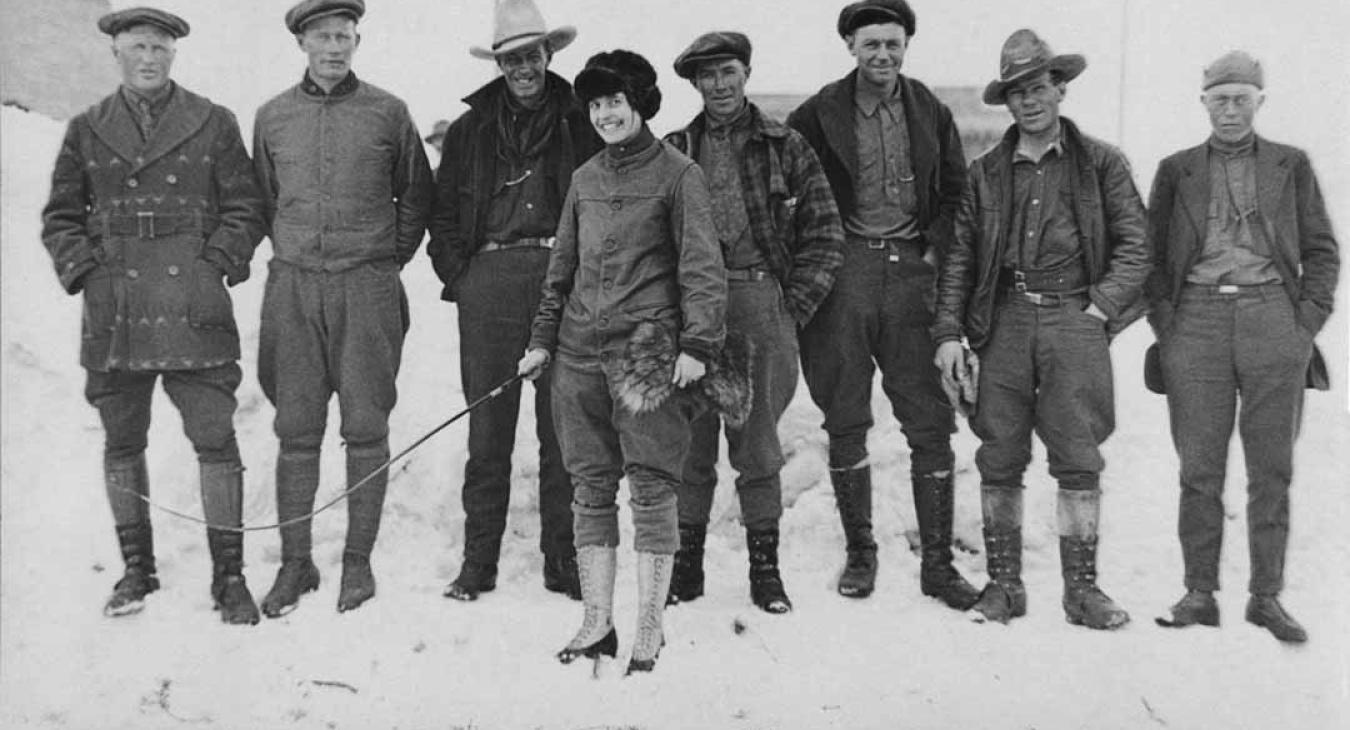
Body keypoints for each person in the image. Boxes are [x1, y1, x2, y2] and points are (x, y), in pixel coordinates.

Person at [40, 7, 266, 624]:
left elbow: (246, 206)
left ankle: (230, 577)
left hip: (192, 305)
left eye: (160, 50)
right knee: (121, 441)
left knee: (216, 440)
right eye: (138, 47)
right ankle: (137, 569)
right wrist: (88, 272)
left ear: (174, 55)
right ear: (116, 54)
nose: (149, 59)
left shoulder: (214, 122)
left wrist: (214, 260)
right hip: (117, 309)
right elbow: (60, 216)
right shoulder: (87, 128)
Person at [932, 29, 1150, 629]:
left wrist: (1100, 309)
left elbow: (1138, 244)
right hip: (1001, 322)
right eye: (1017, 92)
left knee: (1078, 454)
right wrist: (950, 333)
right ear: (1006, 102)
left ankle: (1082, 591)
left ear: (1060, 89)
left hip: (1072, 319)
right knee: (998, 451)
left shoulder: (1101, 163)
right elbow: (960, 260)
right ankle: (1004, 587)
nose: (1029, 101)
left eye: (1039, 87)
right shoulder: (986, 173)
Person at [518, 50, 725, 674]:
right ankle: (597, 621)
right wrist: (542, 341)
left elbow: (702, 267)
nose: (605, 113)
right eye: (597, 103)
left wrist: (698, 345)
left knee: (655, 488)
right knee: (589, 487)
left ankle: (650, 628)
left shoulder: (679, 174)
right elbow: (561, 274)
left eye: (616, 101)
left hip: (646, 360)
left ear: (640, 104)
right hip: (579, 357)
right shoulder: (584, 179)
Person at [785, 0, 978, 607]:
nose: (883, 55)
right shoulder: (818, 114)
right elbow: (786, 190)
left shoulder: (930, 110)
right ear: (850, 47)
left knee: (929, 419)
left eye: (893, 44)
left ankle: (939, 564)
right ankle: (861, 552)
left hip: (911, 274)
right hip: (845, 273)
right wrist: (819, 256)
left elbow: (956, 195)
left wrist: (931, 253)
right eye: (871, 44)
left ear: (906, 46)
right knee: (844, 414)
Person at [1147, 51, 1339, 643]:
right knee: (1198, 468)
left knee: (1271, 471)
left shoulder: (1291, 165)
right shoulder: (1176, 170)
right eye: (1219, 98)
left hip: (1271, 319)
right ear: (1202, 102)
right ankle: (1199, 593)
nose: (1230, 110)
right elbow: (1152, 258)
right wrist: (1168, 326)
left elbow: (1322, 251)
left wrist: (1303, 322)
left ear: (1260, 100)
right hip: (1196, 323)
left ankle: (1266, 597)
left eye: (1241, 98)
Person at [251, 0, 434, 616]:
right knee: (296, 430)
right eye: (323, 36)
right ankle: (296, 564)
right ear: (301, 42)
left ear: (358, 41)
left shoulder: (389, 112)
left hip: (367, 288)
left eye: (345, 36)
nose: (334, 47)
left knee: (366, 428)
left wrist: (385, 262)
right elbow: (265, 198)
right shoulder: (273, 117)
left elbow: (417, 196)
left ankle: (357, 562)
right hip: (295, 287)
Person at [663, 31, 843, 614]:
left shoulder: (785, 146)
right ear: (694, 83)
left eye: (729, 71)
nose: (720, 84)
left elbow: (825, 234)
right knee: (690, 443)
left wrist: (791, 310)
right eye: (708, 75)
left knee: (758, 447)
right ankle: (686, 567)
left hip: (761, 304)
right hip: (692, 313)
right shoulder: (674, 149)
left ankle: (765, 571)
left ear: (746, 73)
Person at [428, 0, 601, 603]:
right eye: (512, 59)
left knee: (563, 431)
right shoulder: (471, 129)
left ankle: (563, 558)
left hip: (564, 285)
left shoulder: (583, 119)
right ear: (499, 64)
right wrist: (464, 278)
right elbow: (442, 213)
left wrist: (588, 280)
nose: (523, 68)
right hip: (490, 286)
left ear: (549, 55)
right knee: (488, 429)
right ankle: (479, 561)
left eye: (532, 55)